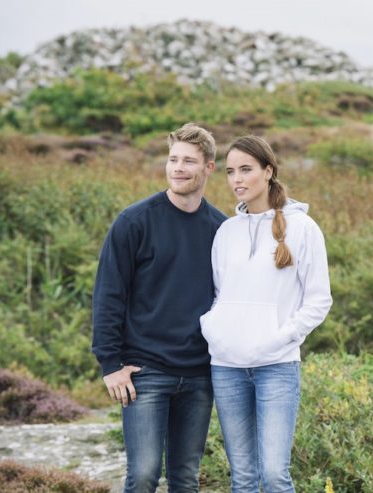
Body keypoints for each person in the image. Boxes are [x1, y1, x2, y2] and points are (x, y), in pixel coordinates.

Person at [92, 123, 226, 493]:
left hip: (200, 374)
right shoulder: (134, 222)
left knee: (186, 479)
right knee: (145, 475)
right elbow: (108, 295)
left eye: (188, 161)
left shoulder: (221, 229)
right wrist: (110, 365)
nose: (178, 168)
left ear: (209, 168)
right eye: (172, 159)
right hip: (144, 372)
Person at [200, 135, 332, 493]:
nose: (237, 179)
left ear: (268, 171)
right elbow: (217, 295)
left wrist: (282, 336)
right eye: (230, 172)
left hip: (277, 365)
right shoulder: (226, 232)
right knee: (242, 478)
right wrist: (215, 330)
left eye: (246, 169)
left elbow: (319, 300)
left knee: (274, 475)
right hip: (227, 367)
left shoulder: (303, 228)